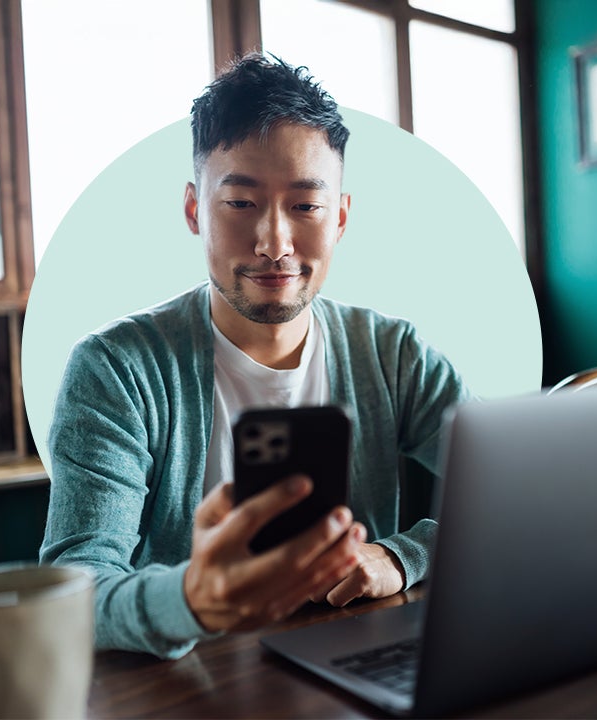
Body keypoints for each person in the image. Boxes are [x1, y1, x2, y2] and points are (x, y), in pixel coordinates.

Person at [40, 54, 470, 659]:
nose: (274, 242)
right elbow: (74, 590)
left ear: (340, 217)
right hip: (184, 686)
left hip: (354, 664)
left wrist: (403, 556)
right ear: (194, 210)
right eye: (240, 204)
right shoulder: (116, 369)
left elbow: (517, 497)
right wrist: (192, 600)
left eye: (306, 205)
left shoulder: (394, 354)